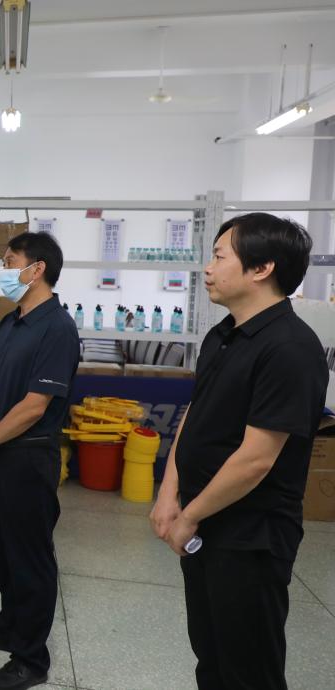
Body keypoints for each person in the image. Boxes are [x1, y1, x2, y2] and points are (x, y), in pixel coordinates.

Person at [149, 213, 327, 689]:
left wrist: (189, 516)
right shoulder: (223, 335)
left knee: (248, 670)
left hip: (251, 537)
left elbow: (256, 459)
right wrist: (169, 494)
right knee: (210, 656)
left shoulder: (291, 348)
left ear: (262, 268)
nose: (207, 268)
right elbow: (195, 415)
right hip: (205, 522)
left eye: (219, 256)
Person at [0, 231, 79, 690]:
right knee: (4, 551)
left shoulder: (57, 328)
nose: (4, 271)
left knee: (31, 559)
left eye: (10, 262)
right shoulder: (11, 322)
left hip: (28, 457)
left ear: (37, 268)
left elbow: (35, 405)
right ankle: (8, 627)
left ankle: (31, 658)